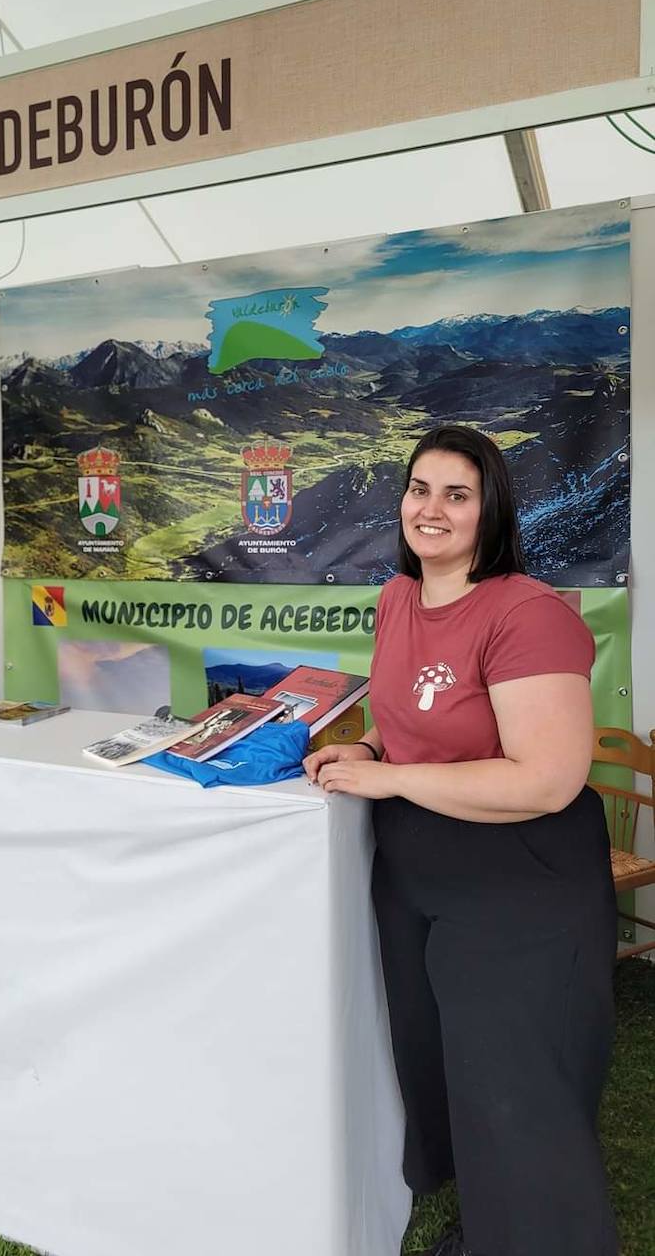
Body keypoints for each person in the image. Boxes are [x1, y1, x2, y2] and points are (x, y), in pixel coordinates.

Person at [304, 425, 617, 1256]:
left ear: (490, 512)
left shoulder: (527, 614)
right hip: (417, 868)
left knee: (515, 1084)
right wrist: (371, 749)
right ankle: (491, 1229)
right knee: (447, 1064)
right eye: (418, 489)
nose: (429, 509)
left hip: (517, 877)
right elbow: (414, 724)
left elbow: (545, 778)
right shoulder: (397, 598)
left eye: (456, 494)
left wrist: (393, 778)